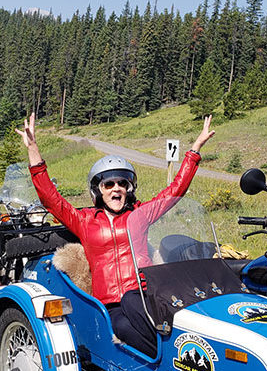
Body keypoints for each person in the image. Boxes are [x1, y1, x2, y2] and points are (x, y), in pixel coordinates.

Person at [17, 113, 214, 357]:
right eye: (108, 184)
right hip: (111, 304)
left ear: (129, 188)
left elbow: (175, 191)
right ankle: (167, 362)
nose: (116, 188)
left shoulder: (139, 214)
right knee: (122, 325)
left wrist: (194, 150)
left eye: (122, 183)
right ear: (98, 191)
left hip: (145, 296)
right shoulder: (85, 220)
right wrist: (34, 151)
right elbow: (51, 199)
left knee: (152, 306)